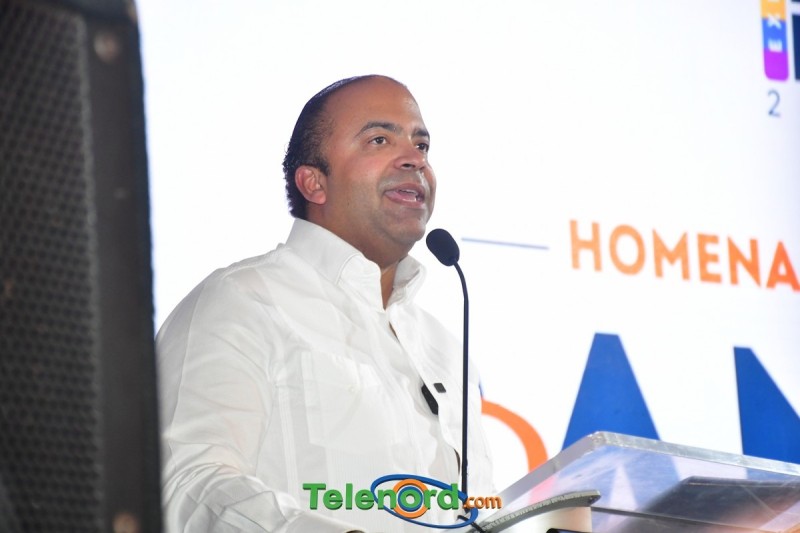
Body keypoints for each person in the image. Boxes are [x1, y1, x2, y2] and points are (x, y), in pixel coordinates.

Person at [157, 75, 494, 532]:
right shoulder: (242, 302)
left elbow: (481, 513)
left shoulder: (446, 349)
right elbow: (186, 487)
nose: (415, 159)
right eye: (380, 139)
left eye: (422, 145)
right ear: (314, 182)